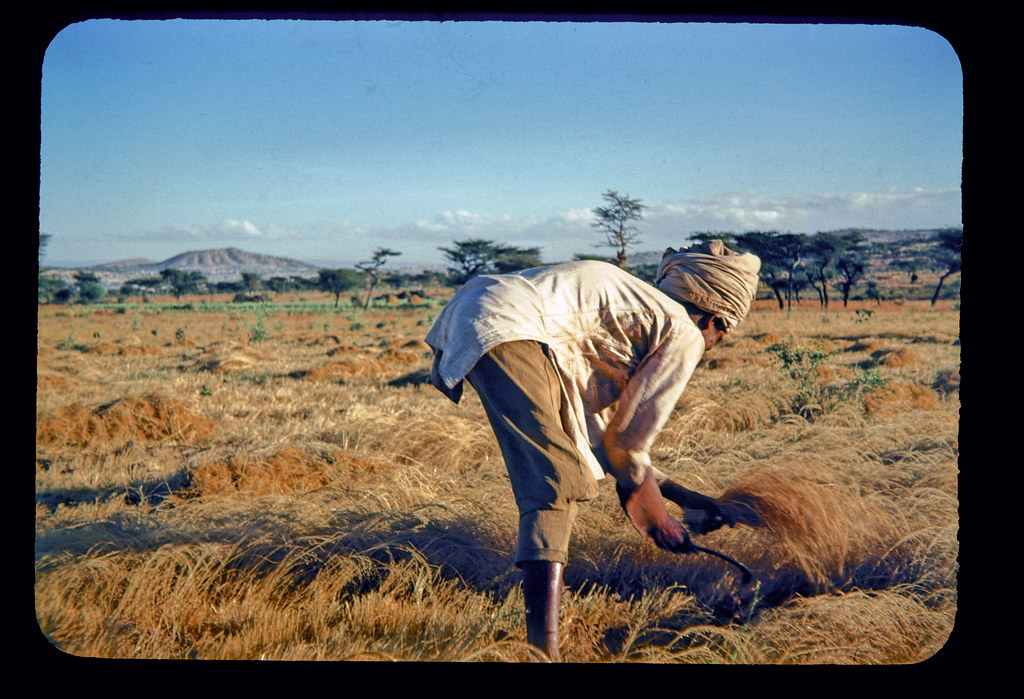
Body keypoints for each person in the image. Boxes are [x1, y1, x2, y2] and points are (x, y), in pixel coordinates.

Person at [424, 240, 762, 661]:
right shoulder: (683, 330)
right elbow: (626, 447)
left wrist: (687, 499)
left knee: (562, 471)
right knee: (555, 485)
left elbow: (606, 445)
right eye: (720, 337)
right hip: (511, 325)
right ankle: (543, 653)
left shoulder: (633, 312)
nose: (711, 347)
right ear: (712, 318)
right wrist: (659, 521)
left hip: (478, 309)